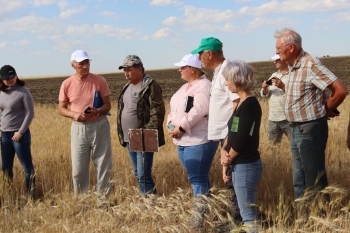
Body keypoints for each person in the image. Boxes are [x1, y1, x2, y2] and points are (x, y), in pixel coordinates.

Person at [274, 29, 348, 204]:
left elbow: (341, 90)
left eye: (278, 48)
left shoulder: (310, 64)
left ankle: (320, 219)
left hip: (310, 130)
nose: (276, 52)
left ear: (290, 47)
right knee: (299, 179)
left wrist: (326, 110)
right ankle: (303, 220)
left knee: (314, 180)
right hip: (295, 128)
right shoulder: (292, 66)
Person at [191, 37, 241, 220]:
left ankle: (239, 224)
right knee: (230, 179)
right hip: (226, 136)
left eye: (200, 54)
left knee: (234, 181)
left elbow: (237, 105)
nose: (199, 58)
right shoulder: (220, 72)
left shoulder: (228, 71)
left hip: (230, 136)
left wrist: (231, 137)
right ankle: (237, 222)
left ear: (209, 54)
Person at [167, 54, 218, 228]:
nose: (179, 70)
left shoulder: (204, 86)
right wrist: (170, 124)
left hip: (199, 140)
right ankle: (205, 213)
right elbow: (173, 108)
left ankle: (198, 222)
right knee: (197, 178)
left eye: (183, 67)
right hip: (183, 141)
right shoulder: (184, 87)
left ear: (193, 69)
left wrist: (180, 128)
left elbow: (200, 110)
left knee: (198, 180)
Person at [58, 50, 113, 203]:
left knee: (103, 164)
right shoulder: (67, 84)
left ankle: (104, 201)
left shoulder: (99, 80)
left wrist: (98, 110)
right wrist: (75, 115)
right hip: (78, 128)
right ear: (73, 65)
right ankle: (82, 201)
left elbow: (108, 104)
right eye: (81, 63)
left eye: (87, 62)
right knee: (79, 168)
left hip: (100, 125)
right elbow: (61, 108)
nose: (85, 66)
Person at [221, 60, 263, 233]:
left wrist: (227, 160)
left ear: (237, 79)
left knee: (247, 214)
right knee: (245, 210)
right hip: (238, 165)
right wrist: (223, 151)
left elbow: (242, 138)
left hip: (245, 165)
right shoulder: (240, 103)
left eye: (227, 79)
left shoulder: (250, 105)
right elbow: (233, 132)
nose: (225, 83)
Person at [117, 55, 165, 195]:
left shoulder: (150, 85)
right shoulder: (127, 86)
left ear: (140, 69)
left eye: (129, 70)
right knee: (138, 173)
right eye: (124, 70)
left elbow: (157, 112)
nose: (126, 73)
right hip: (128, 138)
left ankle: (151, 204)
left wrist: (144, 134)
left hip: (143, 136)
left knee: (144, 175)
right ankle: (147, 201)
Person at [0, 65, 35, 198]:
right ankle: (9, 194)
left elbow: (30, 113)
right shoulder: (2, 92)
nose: (10, 80)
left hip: (20, 136)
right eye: (6, 78)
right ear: (1, 80)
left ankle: (30, 195)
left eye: (12, 76)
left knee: (26, 167)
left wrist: (20, 132)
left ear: (16, 75)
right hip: (4, 135)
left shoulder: (23, 91)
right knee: (5, 167)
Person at [261, 54, 290, 145]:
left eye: (277, 60)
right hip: (273, 118)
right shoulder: (274, 75)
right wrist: (265, 88)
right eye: (274, 60)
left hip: (288, 119)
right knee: (273, 147)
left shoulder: (293, 75)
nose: (275, 62)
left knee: (296, 146)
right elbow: (264, 94)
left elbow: (297, 94)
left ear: (286, 61)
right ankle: (275, 160)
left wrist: (283, 87)